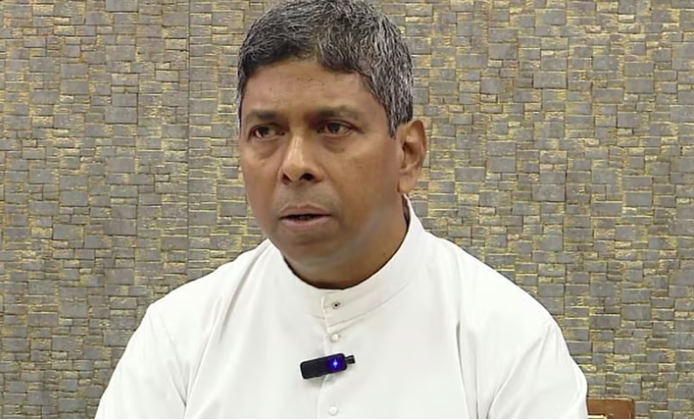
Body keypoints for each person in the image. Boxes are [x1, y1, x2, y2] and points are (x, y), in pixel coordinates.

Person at [95, 0, 589, 418]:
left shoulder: (508, 339)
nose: (294, 165)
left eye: (333, 128)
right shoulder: (180, 336)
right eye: (265, 131)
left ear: (408, 154)